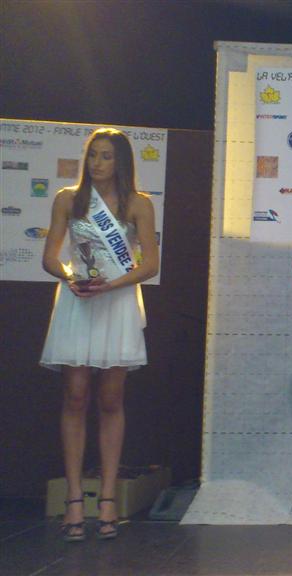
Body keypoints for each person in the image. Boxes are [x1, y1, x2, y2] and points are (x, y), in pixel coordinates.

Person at [40, 128, 160, 542]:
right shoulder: (68, 199)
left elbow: (150, 264)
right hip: (79, 300)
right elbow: (50, 257)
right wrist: (71, 277)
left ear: (121, 161)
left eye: (106, 156)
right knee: (75, 396)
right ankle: (74, 498)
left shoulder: (139, 204)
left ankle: (108, 498)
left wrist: (111, 285)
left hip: (117, 301)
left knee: (111, 399)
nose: (97, 163)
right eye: (93, 155)